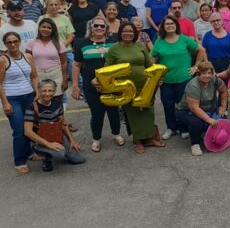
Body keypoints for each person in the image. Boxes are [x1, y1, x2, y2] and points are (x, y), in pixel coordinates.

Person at [97, 22, 164, 154]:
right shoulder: (114, 48)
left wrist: (156, 79)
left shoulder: (140, 46)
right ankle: (137, 140)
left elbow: (149, 65)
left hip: (145, 86)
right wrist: (98, 80)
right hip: (126, 88)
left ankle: (150, 138)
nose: (128, 33)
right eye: (125, 31)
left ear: (135, 33)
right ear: (120, 33)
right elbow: (107, 67)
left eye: (131, 31)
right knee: (133, 114)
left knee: (148, 111)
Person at [72, 18, 124, 152]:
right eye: (96, 25)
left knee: (113, 111)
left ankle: (116, 134)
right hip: (91, 86)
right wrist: (75, 86)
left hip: (112, 84)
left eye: (102, 26)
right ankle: (96, 139)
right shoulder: (82, 43)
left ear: (106, 28)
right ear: (91, 27)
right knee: (96, 113)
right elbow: (77, 65)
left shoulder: (114, 42)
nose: (99, 28)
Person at [151, 15, 205, 141]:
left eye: (172, 23)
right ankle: (171, 128)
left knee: (183, 106)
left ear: (176, 25)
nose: (170, 26)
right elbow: (152, 59)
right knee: (168, 105)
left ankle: (184, 128)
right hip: (166, 81)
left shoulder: (184, 39)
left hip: (183, 79)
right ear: (163, 27)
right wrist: (156, 76)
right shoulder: (159, 42)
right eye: (167, 24)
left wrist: (196, 67)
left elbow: (201, 50)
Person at [0, 31, 40, 173]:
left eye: (15, 41)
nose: (13, 44)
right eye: (9, 42)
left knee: (31, 127)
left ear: (19, 42)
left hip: (29, 96)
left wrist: (37, 92)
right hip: (13, 98)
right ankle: (20, 161)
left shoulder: (28, 57)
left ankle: (30, 152)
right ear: (5, 44)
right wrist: (5, 103)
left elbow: (34, 76)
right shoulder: (2, 60)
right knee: (19, 130)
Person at [25, 79, 85, 172]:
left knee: (79, 159)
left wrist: (72, 141)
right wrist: (48, 144)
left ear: (54, 91)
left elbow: (63, 124)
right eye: (44, 91)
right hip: (40, 140)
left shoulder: (57, 103)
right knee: (60, 154)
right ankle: (47, 158)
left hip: (56, 134)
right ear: (39, 91)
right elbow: (27, 132)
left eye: (50, 90)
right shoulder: (32, 107)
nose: (47, 94)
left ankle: (57, 152)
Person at [173, 61, 229, 156]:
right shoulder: (193, 85)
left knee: (222, 118)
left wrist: (223, 107)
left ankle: (207, 134)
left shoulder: (215, 80)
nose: (207, 76)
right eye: (204, 73)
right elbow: (194, 108)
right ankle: (195, 144)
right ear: (198, 74)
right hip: (186, 110)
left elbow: (224, 91)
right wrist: (209, 119)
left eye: (209, 73)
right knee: (197, 122)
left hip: (207, 109)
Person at [25, 18, 67, 106]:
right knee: (41, 102)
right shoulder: (31, 43)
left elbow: (64, 63)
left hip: (56, 75)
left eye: (49, 28)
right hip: (38, 75)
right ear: (39, 28)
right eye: (43, 27)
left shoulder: (59, 44)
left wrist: (65, 80)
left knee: (57, 103)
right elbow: (28, 61)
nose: (46, 29)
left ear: (53, 30)